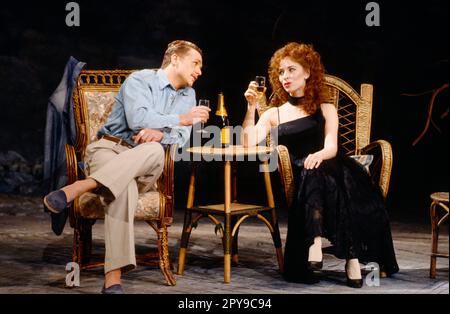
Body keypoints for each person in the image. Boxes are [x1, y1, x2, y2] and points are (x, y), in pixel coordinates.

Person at [43, 40, 210, 294]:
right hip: (108, 150)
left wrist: (160, 133)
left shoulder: (189, 95)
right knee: (123, 188)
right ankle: (113, 280)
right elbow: (138, 119)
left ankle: (82, 185)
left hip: (146, 162)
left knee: (154, 149)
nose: (199, 71)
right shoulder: (139, 80)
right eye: (195, 63)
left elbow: (182, 139)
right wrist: (180, 119)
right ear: (175, 58)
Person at [242, 42, 399, 287]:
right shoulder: (274, 113)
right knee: (310, 171)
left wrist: (319, 156)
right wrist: (251, 107)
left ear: (307, 72)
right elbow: (247, 144)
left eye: (291, 70)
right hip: (302, 173)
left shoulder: (325, 107)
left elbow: (331, 147)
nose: (285, 77)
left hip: (335, 165)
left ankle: (315, 243)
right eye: (281, 72)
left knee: (316, 169)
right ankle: (352, 258)